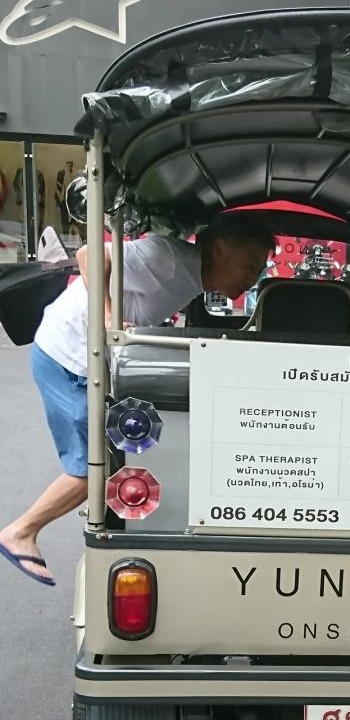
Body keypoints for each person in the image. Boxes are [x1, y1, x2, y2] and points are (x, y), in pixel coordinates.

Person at [0, 213, 274, 586]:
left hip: (84, 361)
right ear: (220, 248)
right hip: (69, 357)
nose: (252, 278)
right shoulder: (170, 259)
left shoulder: (191, 275)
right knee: (93, 469)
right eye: (250, 265)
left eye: (258, 270)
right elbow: (89, 254)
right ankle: (21, 531)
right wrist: (108, 318)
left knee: (123, 454)